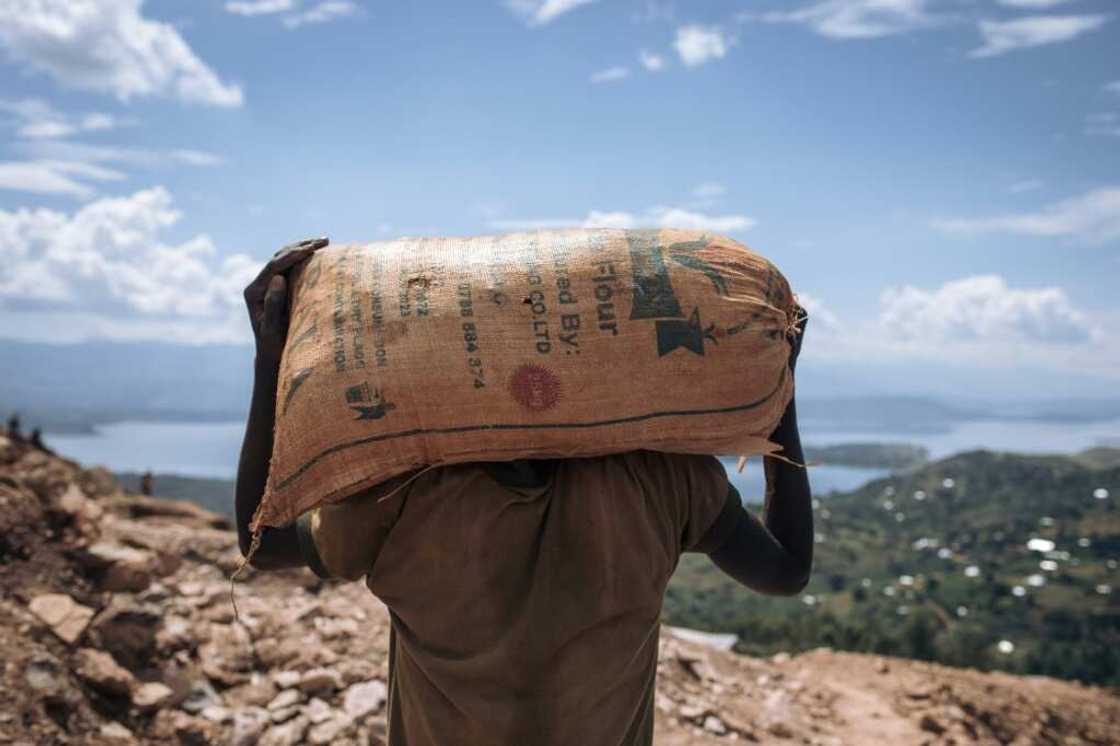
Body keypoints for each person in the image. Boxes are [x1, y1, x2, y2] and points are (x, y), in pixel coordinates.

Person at [235, 238, 813, 746]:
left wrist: (271, 361)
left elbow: (263, 545)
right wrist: (777, 390)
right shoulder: (664, 478)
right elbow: (785, 571)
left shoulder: (406, 490)